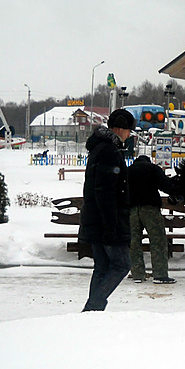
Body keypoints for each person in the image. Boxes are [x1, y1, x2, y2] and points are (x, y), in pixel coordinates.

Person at [78, 108, 136, 311]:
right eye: (129, 131)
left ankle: (92, 312)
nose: (129, 136)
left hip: (95, 219)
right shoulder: (109, 152)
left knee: (102, 267)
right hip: (107, 221)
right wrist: (111, 225)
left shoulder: (100, 149)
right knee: (121, 265)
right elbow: (106, 191)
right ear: (120, 129)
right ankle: (93, 307)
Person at [127, 155, 176, 284]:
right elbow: (166, 185)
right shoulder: (152, 169)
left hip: (132, 210)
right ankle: (160, 274)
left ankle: (137, 273)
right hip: (150, 209)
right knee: (157, 240)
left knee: (134, 242)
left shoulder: (128, 170)